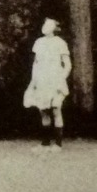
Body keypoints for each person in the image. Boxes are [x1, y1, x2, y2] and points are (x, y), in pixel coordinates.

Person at [23, 18, 71, 151]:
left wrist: (61, 79)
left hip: (55, 80)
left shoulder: (60, 43)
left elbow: (68, 65)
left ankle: (58, 144)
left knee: (56, 109)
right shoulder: (38, 42)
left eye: (48, 24)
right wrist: (33, 82)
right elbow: (36, 64)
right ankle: (45, 144)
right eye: (44, 23)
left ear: (55, 28)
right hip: (42, 80)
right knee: (43, 110)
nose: (45, 26)